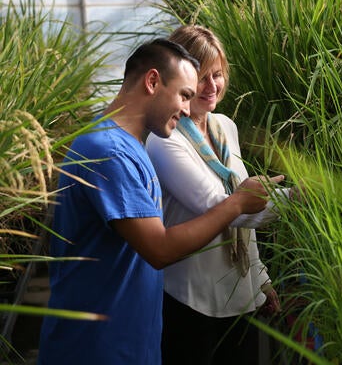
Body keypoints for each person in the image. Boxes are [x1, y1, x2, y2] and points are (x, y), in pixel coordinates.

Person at [37, 38, 283, 365]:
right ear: (152, 82)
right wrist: (236, 203)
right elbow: (160, 248)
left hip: (133, 343)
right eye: (184, 95)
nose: (186, 108)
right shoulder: (107, 151)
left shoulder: (130, 145)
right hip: (96, 348)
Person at [145, 25, 285, 365]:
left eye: (218, 75)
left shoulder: (225, 127)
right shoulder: (166, 139)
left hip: (239, 294)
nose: (211, 87)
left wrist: (260, 278)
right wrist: (301, 200)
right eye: (201, 77)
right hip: (191, 300)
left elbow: (245, 207)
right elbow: (226, 208)